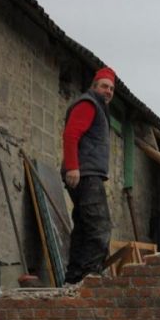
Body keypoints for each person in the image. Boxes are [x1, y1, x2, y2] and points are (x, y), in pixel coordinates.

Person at [61, 67, 115, 284]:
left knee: (84, 228)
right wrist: (74, 167)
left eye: (111, 88)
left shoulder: (98, 107)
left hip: (87, 173)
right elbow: (71, 134)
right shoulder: (88, 103)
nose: (108, 91)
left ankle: (74, 280)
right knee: (99, 228)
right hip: (85, 174)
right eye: (104, 86)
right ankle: (90, 280)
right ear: (94, 86)